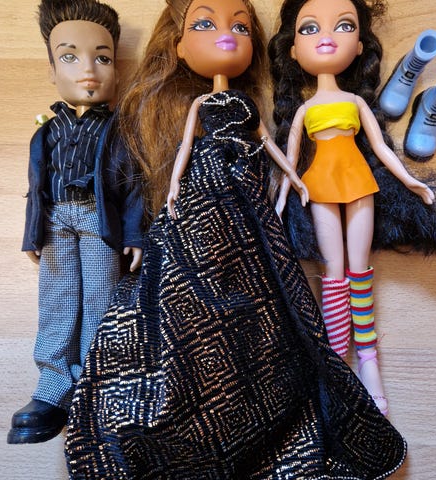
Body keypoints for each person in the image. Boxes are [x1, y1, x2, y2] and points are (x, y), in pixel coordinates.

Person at [65, 0, 406, 478]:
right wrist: (175, 189)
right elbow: (185, 148)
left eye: (241, 28)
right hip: (203, 195)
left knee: (281, 292)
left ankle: (344, 365)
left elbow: (270, 145)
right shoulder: (199, 106)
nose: (225, 35)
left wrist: (291, 179)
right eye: (204, 24)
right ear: (179, 47)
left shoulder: (249, 106)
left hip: (252, 199)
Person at [269, 0, 436, 416]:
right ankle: (338, 364)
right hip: (319, 187)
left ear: (358, 47)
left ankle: (368, 359)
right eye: (310, 29)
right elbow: (290, 161)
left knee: (359, 270)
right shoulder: (304, 110)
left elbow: (383, 150)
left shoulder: (355, 102)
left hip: (358, 183)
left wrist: (409, 179)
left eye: (343, 26)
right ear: (293, 51)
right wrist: (281, 197)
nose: (326, 38)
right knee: (333, 273)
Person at [7, 0, 143, 445]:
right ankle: (52, 386)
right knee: (57, 299)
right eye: (69, 57)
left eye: (102, 58)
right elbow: (36, 185)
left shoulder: (119, 130)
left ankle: (94, 383)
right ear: (51, 70)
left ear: (116, 68)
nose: (88, 69)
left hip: (98, 220)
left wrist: (136, 234)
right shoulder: (46, 131)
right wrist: (32, 231)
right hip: (55, 221)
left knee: (101, 299)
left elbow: (133, 184)